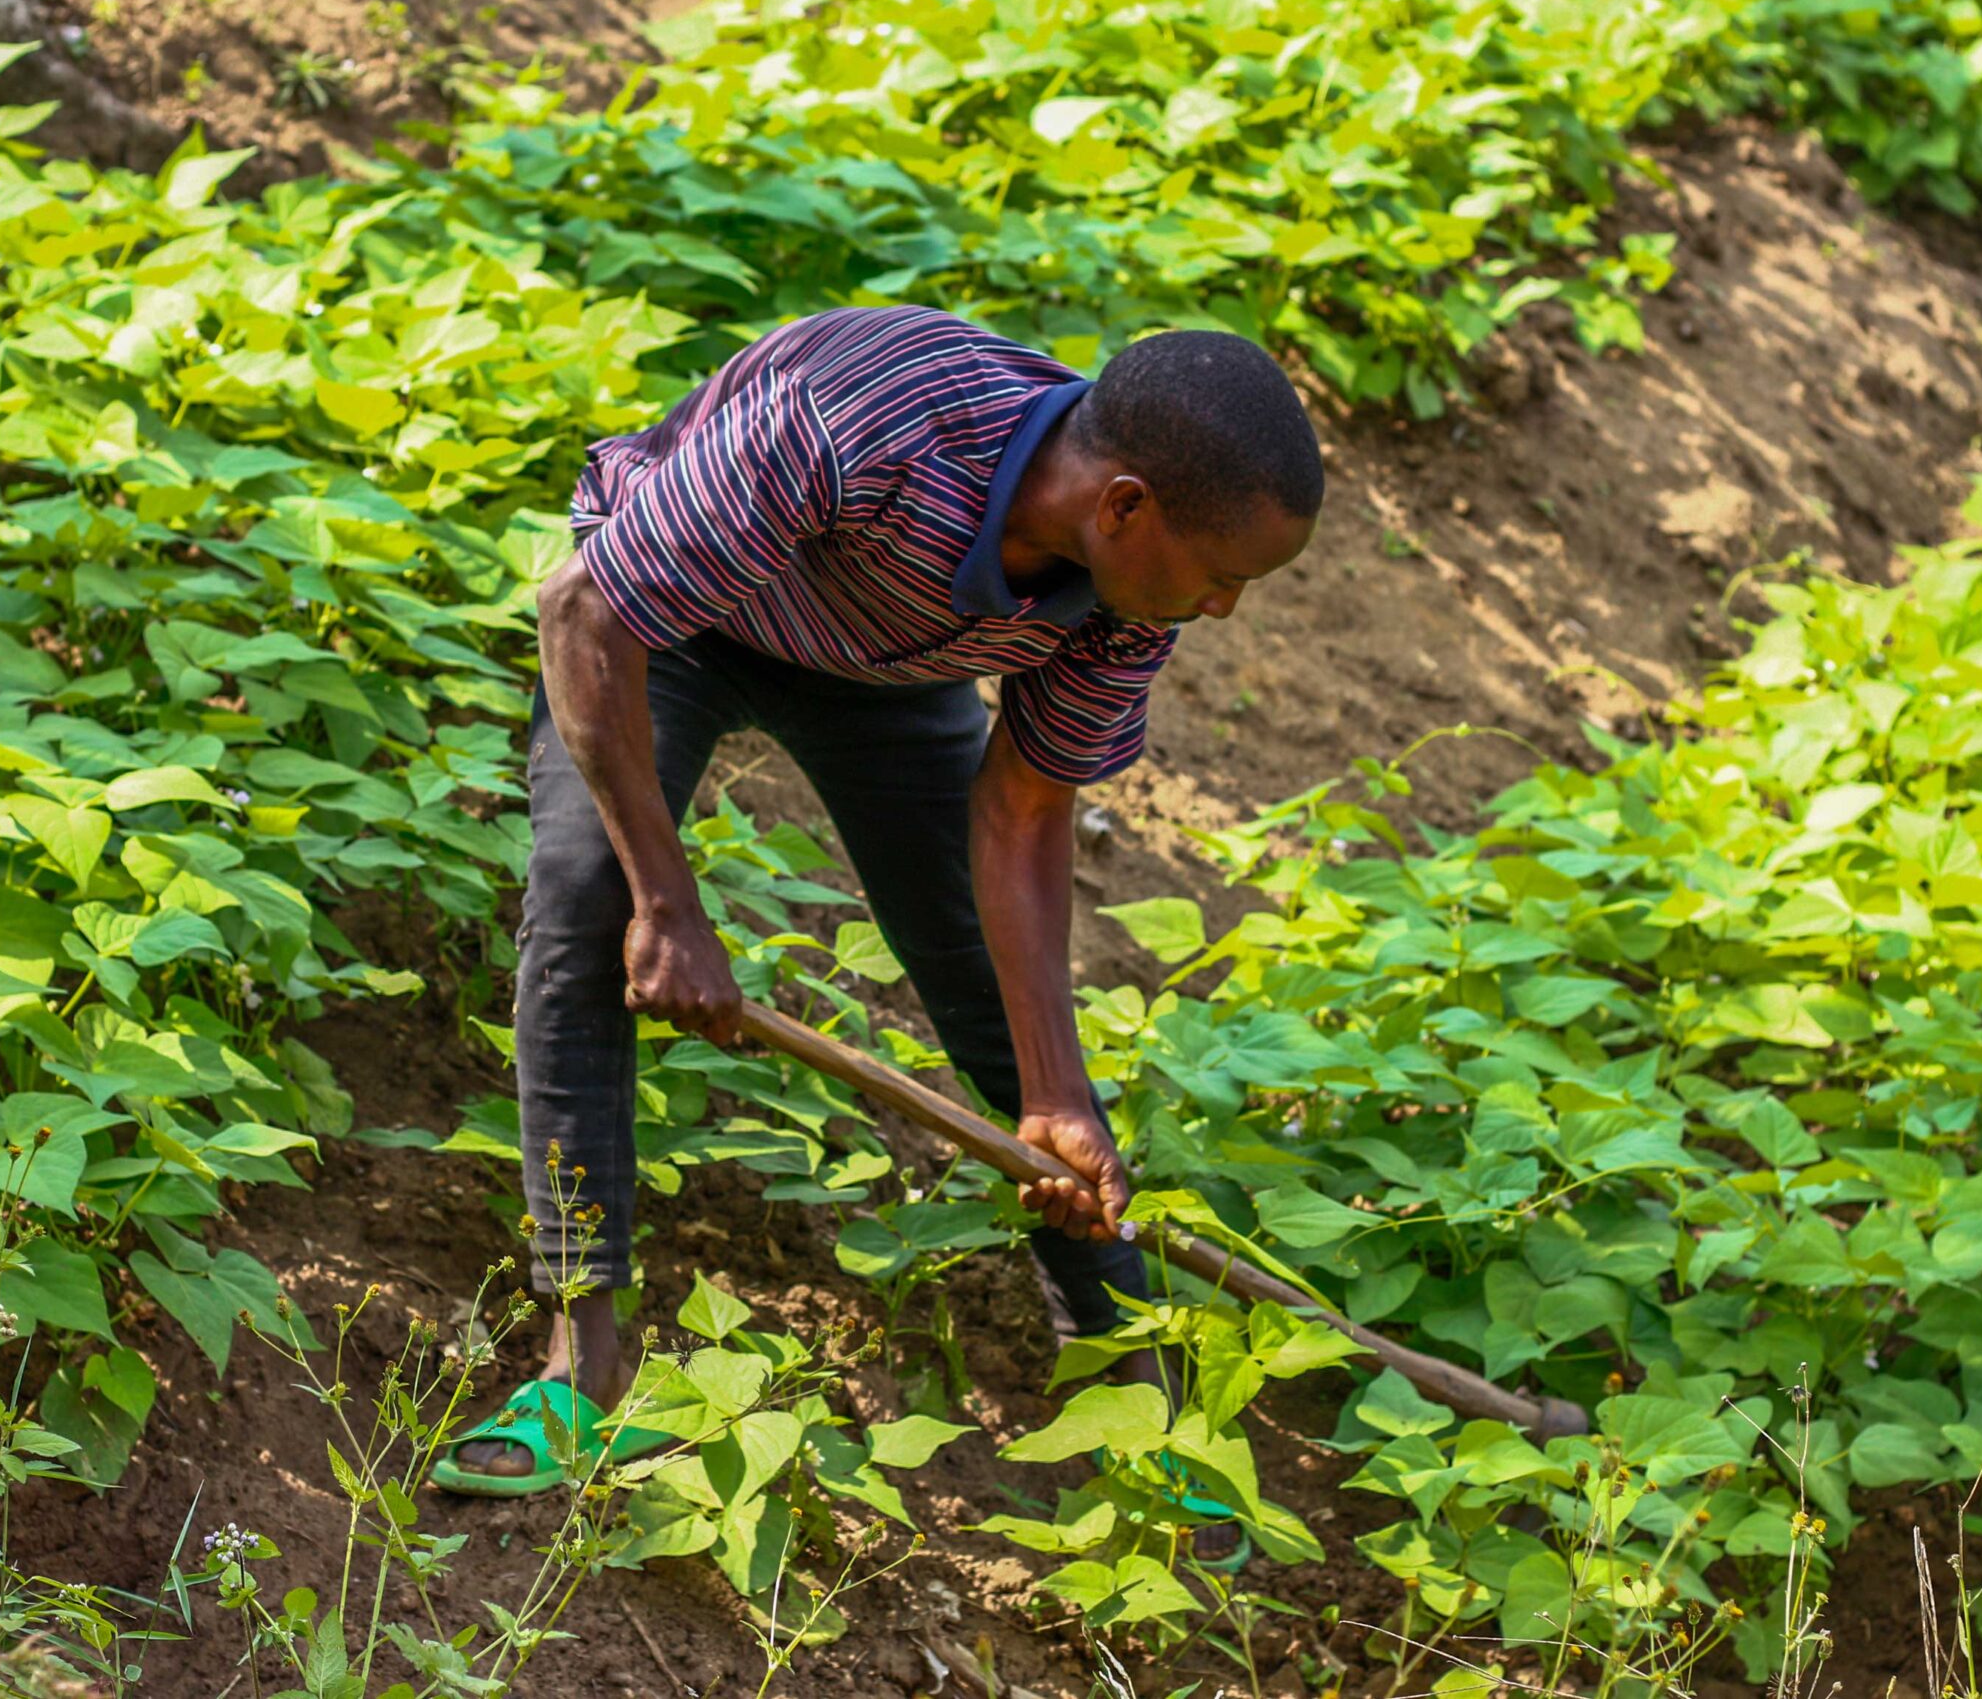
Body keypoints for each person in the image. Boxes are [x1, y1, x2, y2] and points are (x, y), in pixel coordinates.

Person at [432, 304, 1323, 1503]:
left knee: (985, 981)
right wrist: (666, 898)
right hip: (670, 628)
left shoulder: (1128, 596)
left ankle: (1131, 1400)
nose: (1223, 608)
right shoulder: (864, 418)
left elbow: (1023, 811)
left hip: (890, 671)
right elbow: (582, 611)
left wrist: (1056, 1094)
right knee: (590, 912)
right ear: (1122, 506)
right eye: (1223, 578)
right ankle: (581, 1366)